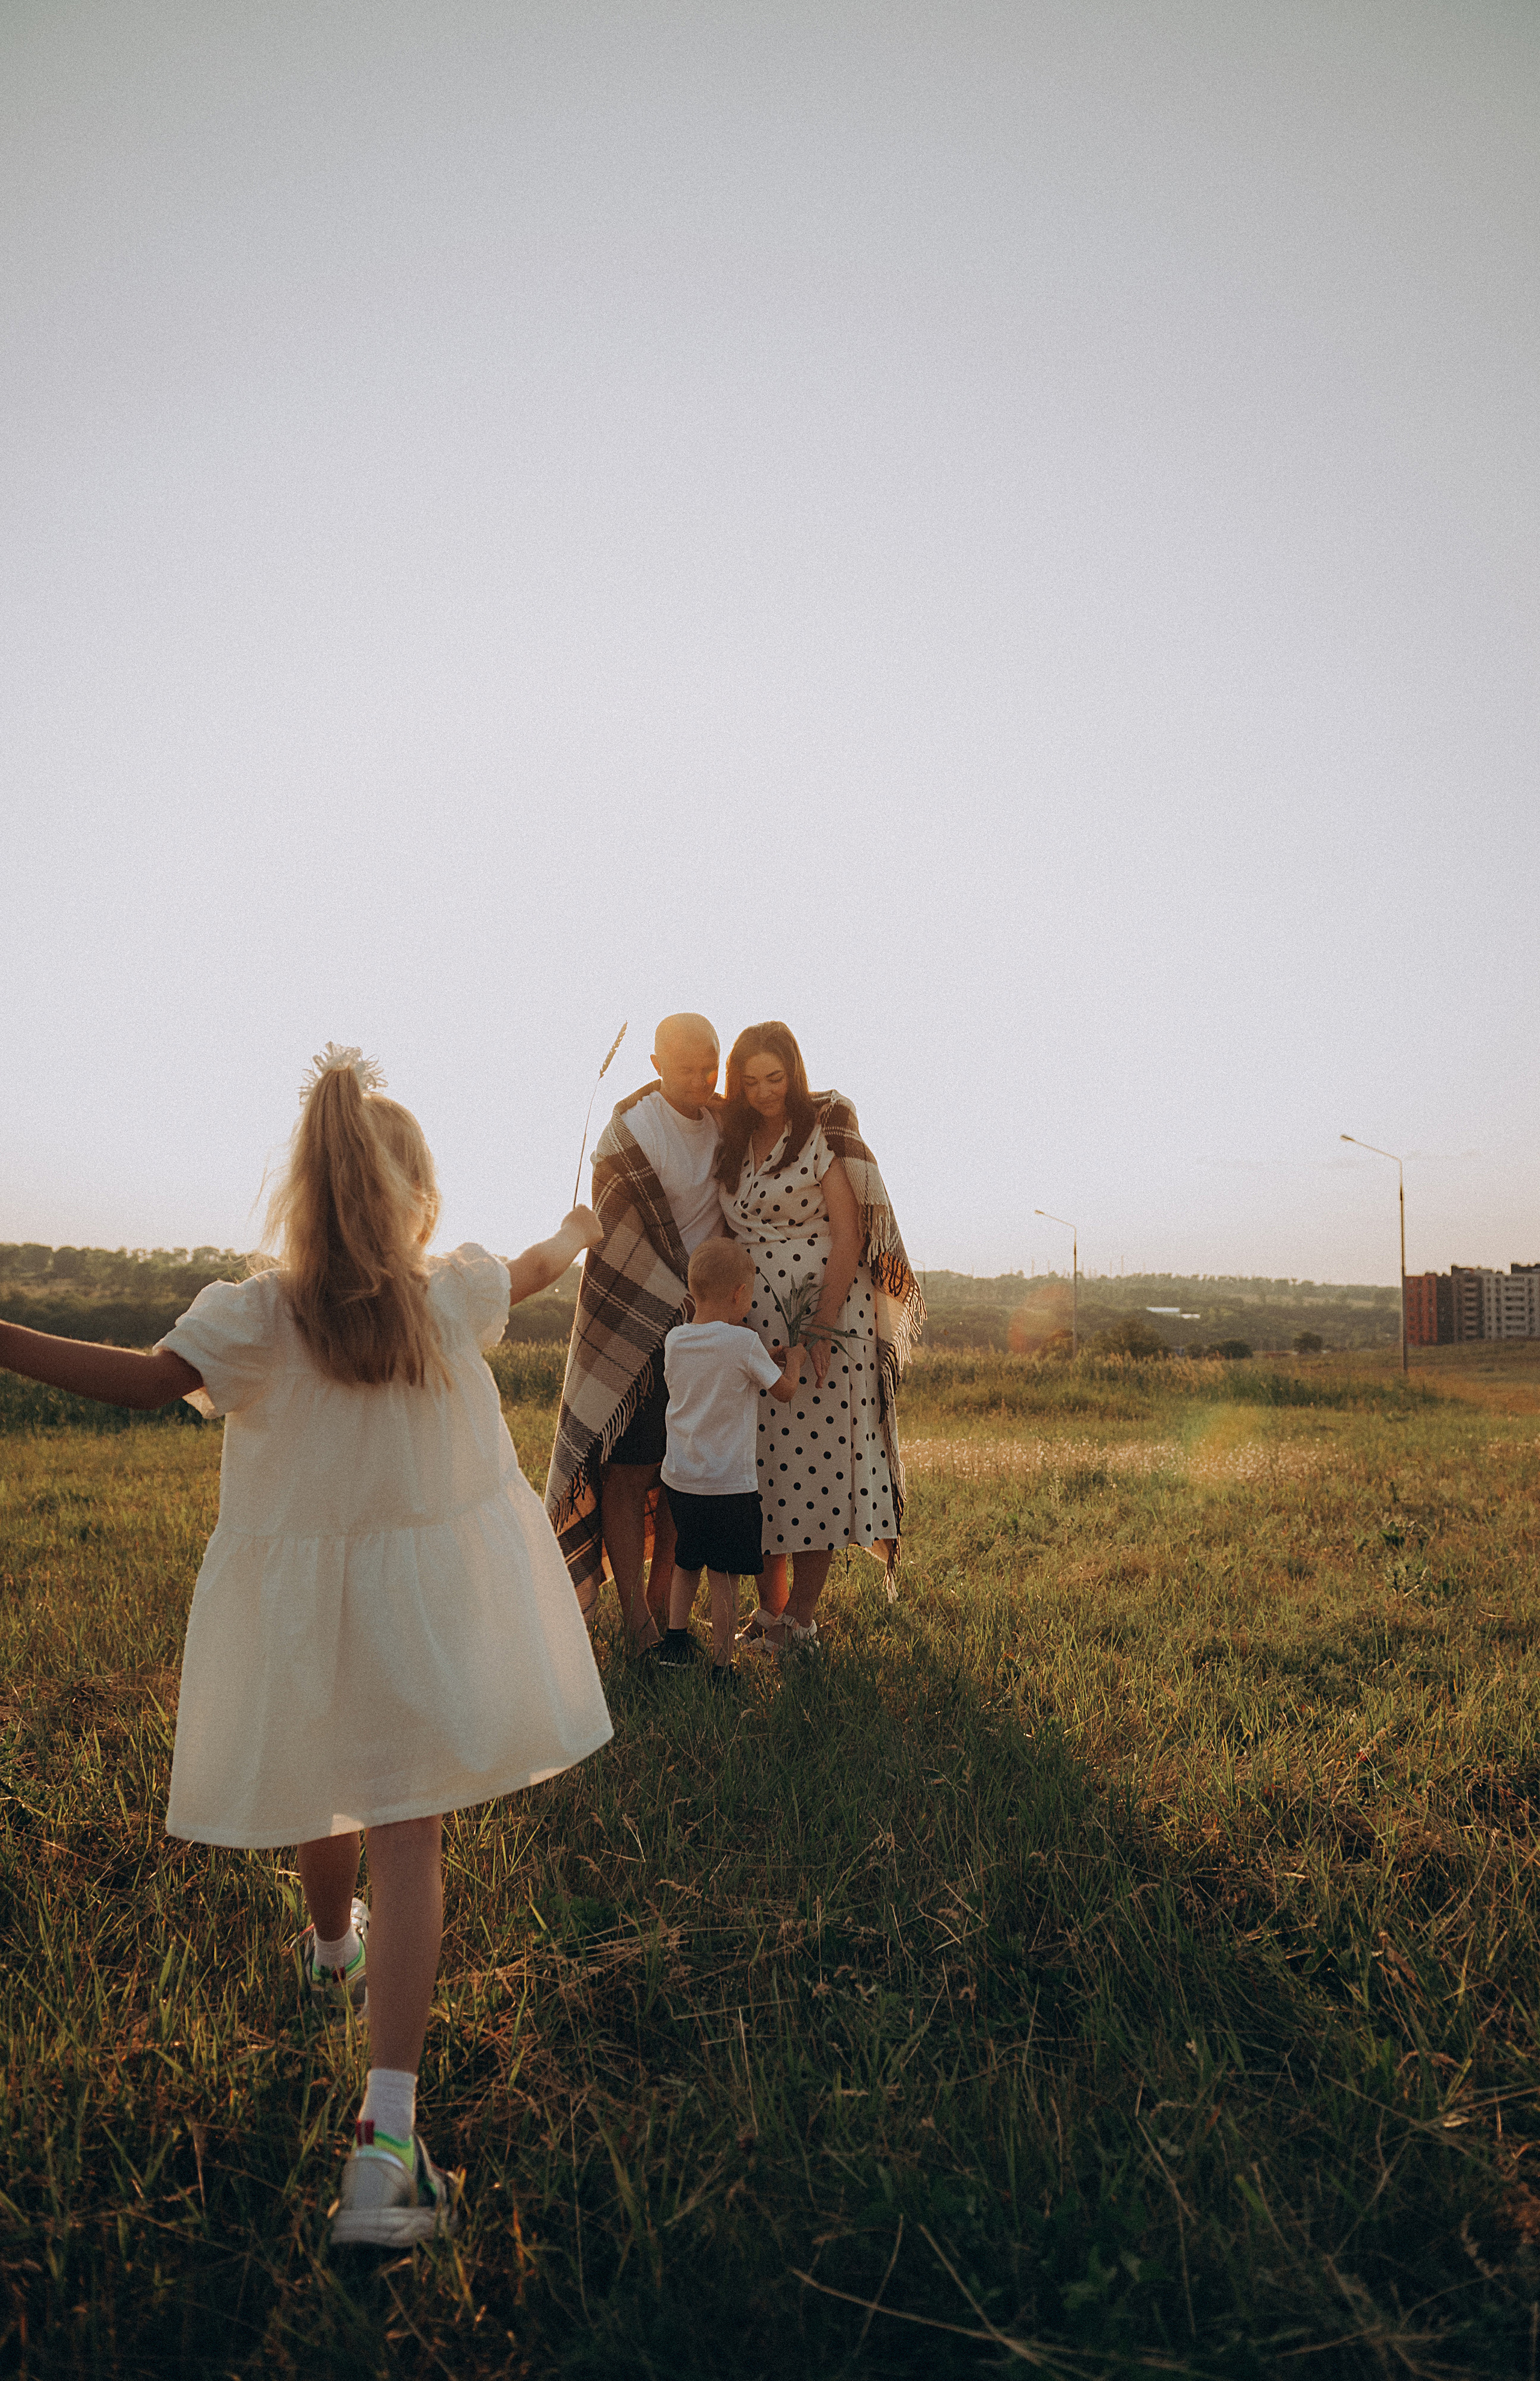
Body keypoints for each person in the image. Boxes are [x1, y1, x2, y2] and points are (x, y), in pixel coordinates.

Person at [0, 1045, 612, 2246]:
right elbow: (539, 1266)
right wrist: (581, 1224)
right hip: (421, 1616)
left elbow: (136, 1381)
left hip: (302, 1614)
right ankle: (387, 2145)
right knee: (407, 1828)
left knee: (320, 1788)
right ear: (417, 1194)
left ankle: (331, 1949)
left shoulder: (249, 1315)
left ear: (303, 1187)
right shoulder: (449, 1297)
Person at [713, 1022, 925, 1653]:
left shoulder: (821, 1129)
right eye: (749, 1081)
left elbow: (849, 1234)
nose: (763, 1091)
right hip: (751, 1321)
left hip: (822, 1318)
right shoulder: (733, 1138)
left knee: (816, 1468)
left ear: (794, 1073)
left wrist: (821, 1327)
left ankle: (800, 1621)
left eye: (774, 1078)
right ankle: (769, 1613)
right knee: (762, 1470)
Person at [545, 1013, 725, 1652]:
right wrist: (676, 1300)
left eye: (712, 1064)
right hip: (641, 1330)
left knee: (684, 1476)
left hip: (707, 1334)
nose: (703, 1078)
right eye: (687, 1068)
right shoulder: (630, 1134)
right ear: (655, 1066)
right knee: (629, 1473)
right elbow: (618, 1238)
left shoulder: (726, 1124)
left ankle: (665, 1612)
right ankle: (635, 1624)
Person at [654, 1238, 805, 1682]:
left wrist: (763, 1358)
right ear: (740, 1293)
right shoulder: (744, 1342)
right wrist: (792, 1359)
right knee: (724, 1575)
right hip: (728, 1486)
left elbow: (715, 1368)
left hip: (681, 1479)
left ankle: (675, 1643)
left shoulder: (676, 1340)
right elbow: (784, 1390)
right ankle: (723, 1665)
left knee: (687, 1561)